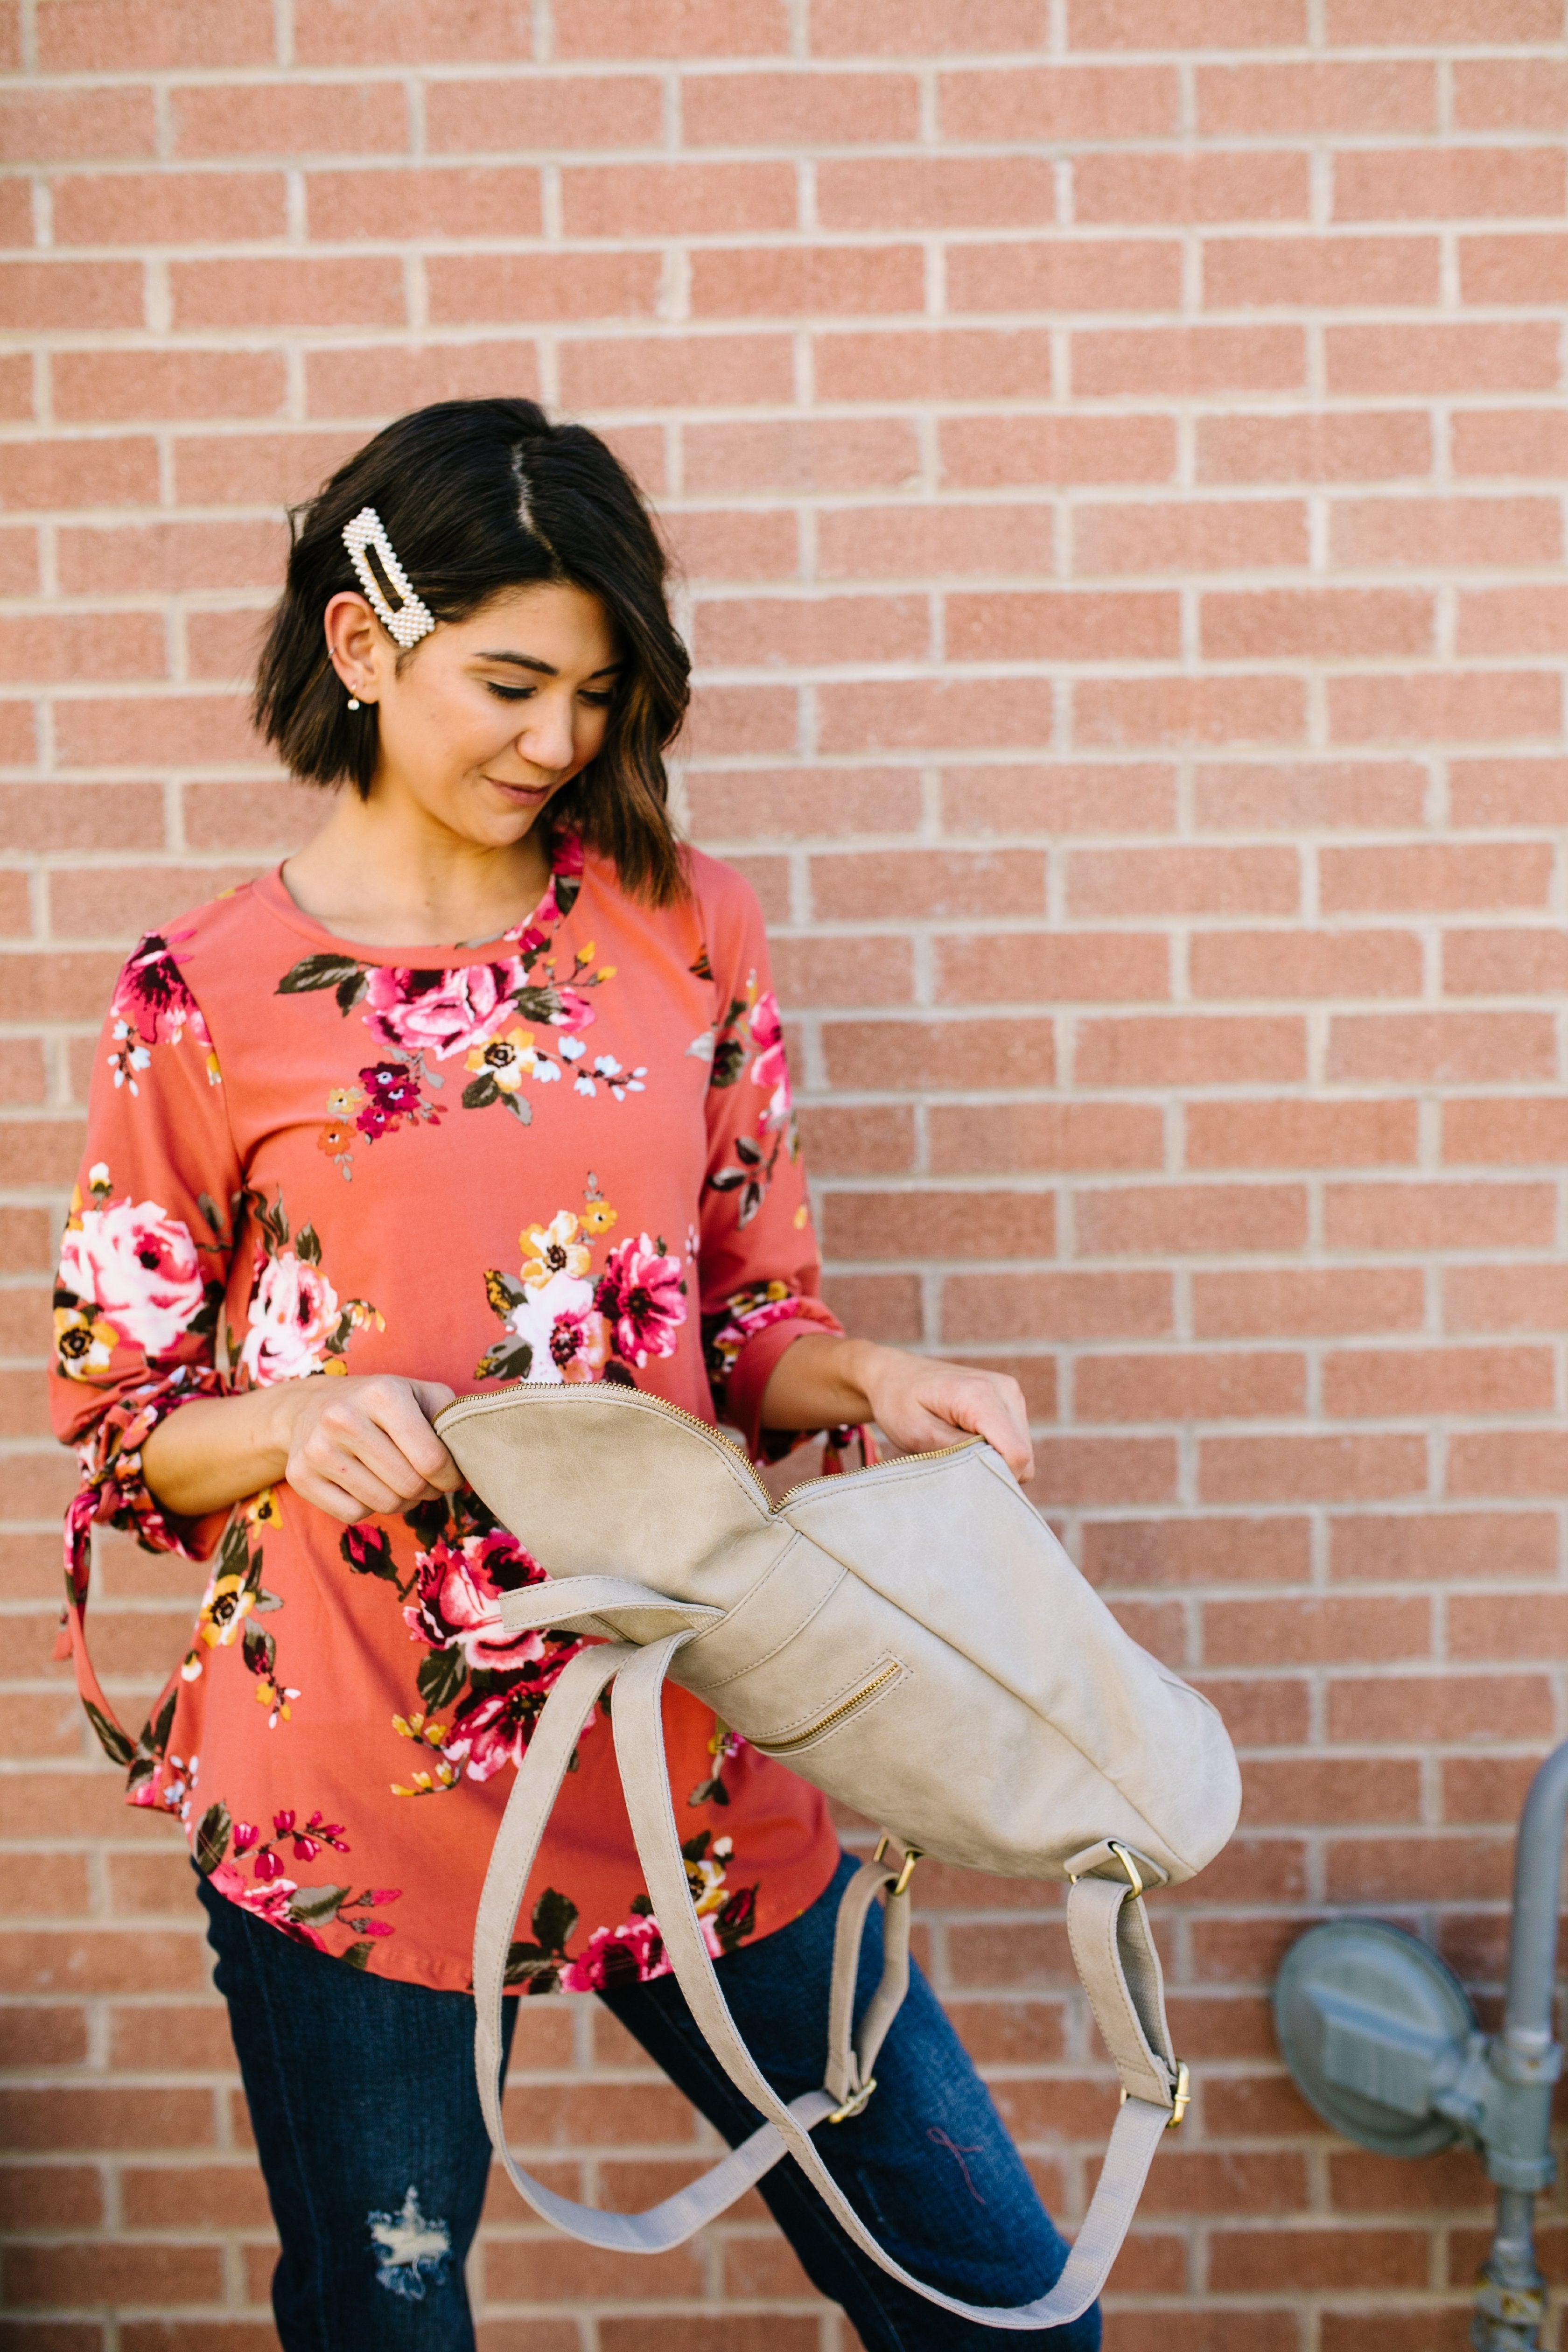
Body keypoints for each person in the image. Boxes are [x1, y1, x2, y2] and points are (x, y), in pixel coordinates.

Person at [49, 398, 1099, 2352]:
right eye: (513, 684)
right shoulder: (199, 1001)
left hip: (688, 1725)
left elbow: (748, 1321)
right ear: (365, 645)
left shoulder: (688, 925)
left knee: (999, 2304)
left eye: (598, 695)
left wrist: (879, 1377)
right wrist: (300, 1421)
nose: (557, 743)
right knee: (389, 2326)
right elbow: (125, 1431)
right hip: (352, 1780)